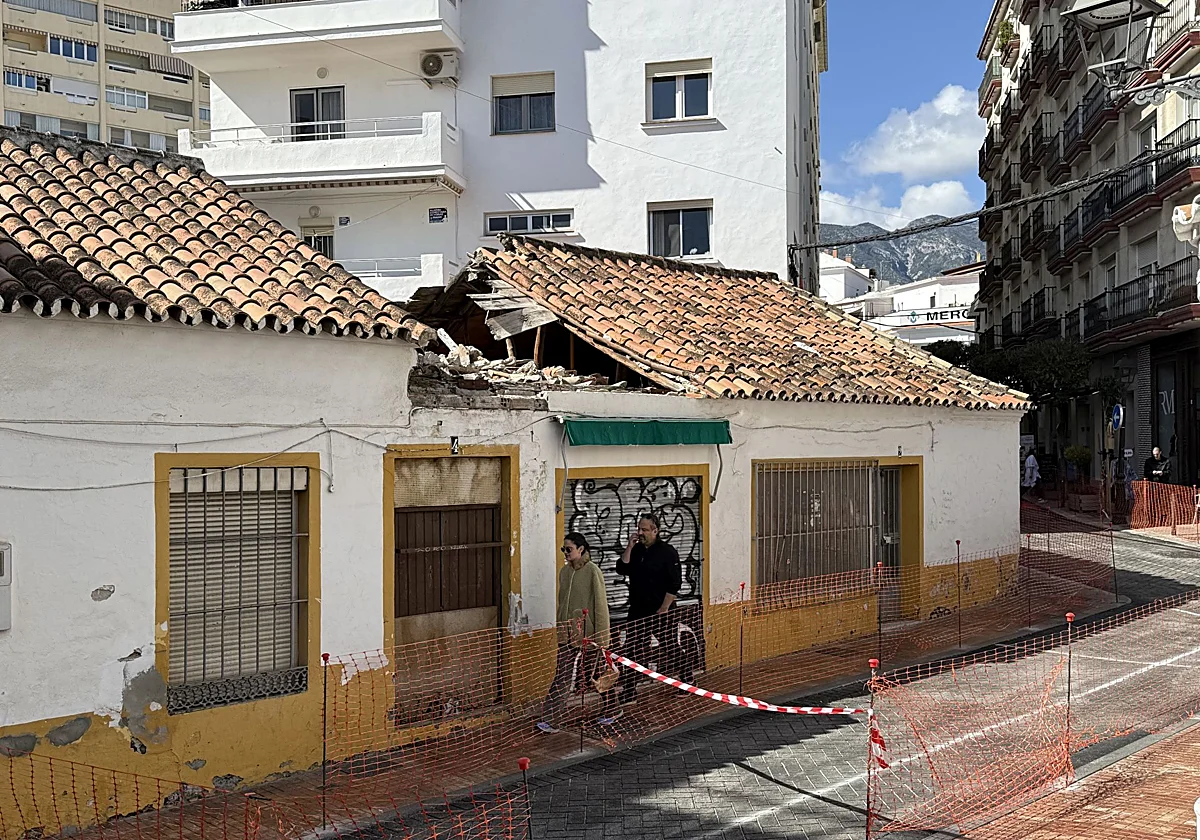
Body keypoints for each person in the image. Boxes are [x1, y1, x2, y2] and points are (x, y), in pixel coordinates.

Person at [537, 533, 619, 732]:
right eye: (563, 549)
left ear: (581, 549)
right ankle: (551, 719)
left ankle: (612, 708)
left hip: (590, 636)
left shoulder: (593, 572)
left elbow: (600, 606)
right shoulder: (564, 572)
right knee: (562, 675)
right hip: (567, 635)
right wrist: (561, 629)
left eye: (569, 549)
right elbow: (562, 603)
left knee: (596, 674)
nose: (565, 553)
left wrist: (602, 639)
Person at [614, 513, 682, 705]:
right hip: (638, 609)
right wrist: (629, 546)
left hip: (661, 609)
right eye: (639, 529)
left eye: (644, 529)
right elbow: (621, 568)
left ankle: (687, 678)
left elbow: (675, 583)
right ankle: (629, 691)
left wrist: (664, 608)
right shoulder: (636, 550)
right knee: (632, 650)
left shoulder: (667, 552)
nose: (640, 533)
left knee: (669, 646)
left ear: (655, 530)